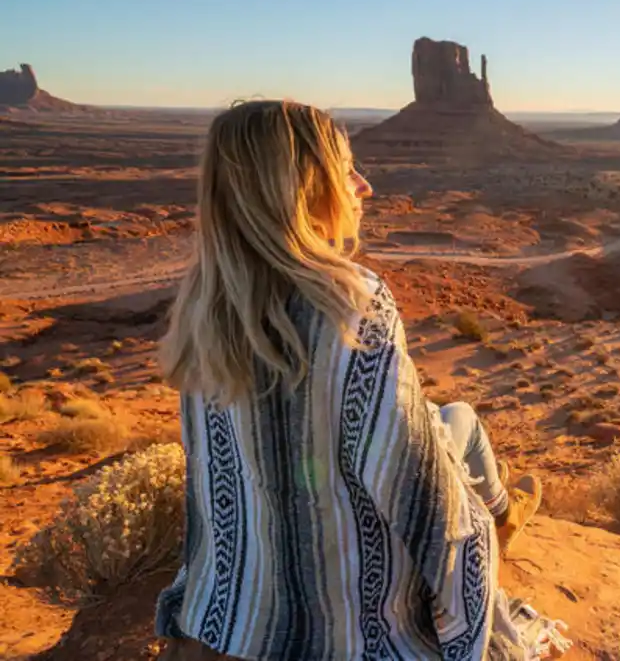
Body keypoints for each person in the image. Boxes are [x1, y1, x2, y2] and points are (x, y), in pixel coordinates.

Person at [154, 99, 552, 660]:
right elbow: (421, 493)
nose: (363, 187)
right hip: (349, 626)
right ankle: (505, 516)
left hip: (236, 614)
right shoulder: (351, 301)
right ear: (300, 190)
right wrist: (471, 601)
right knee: (458, 420)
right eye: (344, 172)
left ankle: (506, 511)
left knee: (447, 416)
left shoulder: (205, 304)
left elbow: (214, 480)